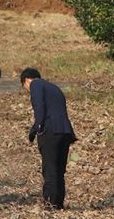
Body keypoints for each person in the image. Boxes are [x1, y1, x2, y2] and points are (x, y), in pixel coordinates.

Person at [20, 67, 77, 210]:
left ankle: (50, 204)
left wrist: (36, 128)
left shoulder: (36, 84)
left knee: (50, 168)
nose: (27, 90)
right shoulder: (53, 87)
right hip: (64, 131)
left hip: (50, 130)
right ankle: (58, 203)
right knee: (59, 170)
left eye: (24, 87)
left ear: (26, 80)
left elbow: (39, 107)